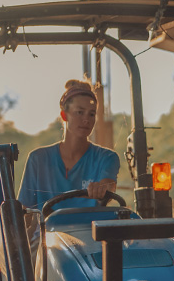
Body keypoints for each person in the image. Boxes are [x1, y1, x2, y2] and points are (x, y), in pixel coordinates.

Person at [18, 79, 120, 212]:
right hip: (47, 232)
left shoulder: (107, 157)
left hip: (89, 231)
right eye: (79, 112)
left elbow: (108, 184)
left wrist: (101, 188)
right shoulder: (38, 159)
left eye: (92, 114)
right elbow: (24, 211)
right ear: (64, 115)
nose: (86, 119)